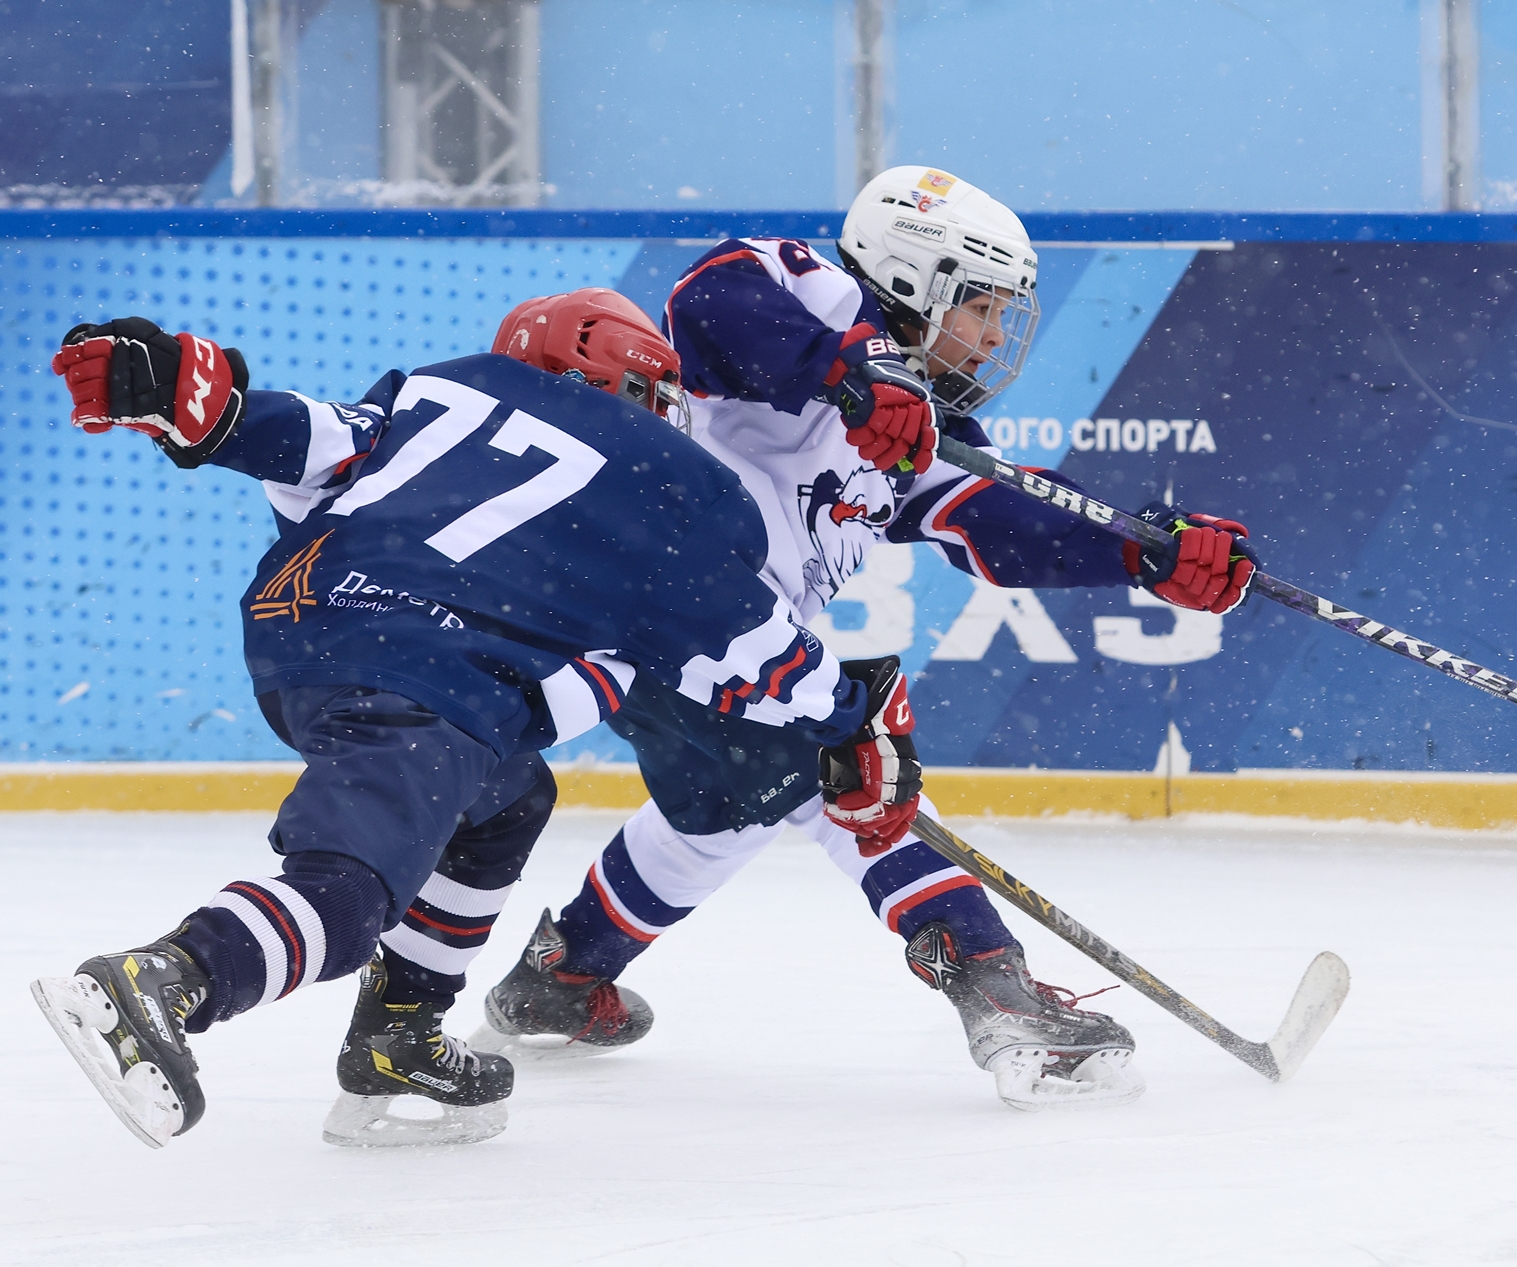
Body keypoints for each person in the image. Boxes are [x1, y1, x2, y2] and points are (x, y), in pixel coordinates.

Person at [425, 166, 1261, 1117]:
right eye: (983, 307)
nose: (996, 335)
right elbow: (713, 296)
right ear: (915, 279)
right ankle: (997, 989)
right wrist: (849, 370)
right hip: (672, 604)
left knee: (721, 815)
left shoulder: (915, 425)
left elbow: (1000, 519)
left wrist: (1144, 550)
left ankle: (562, 974)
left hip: (716, 641)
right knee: (853, 783)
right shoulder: (817, 299)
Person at [30, 292, 921, 1149]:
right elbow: (751, 647)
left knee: (507, 799)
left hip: (304, 630)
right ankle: (165, 980)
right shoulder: (663, 475)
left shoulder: (441, 391)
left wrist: (189, 398)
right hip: (428, 677)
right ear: (626, 381)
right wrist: (852, 716)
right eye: (655, 395)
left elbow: (302, 440)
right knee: (345, 894)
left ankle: (400, 1031)